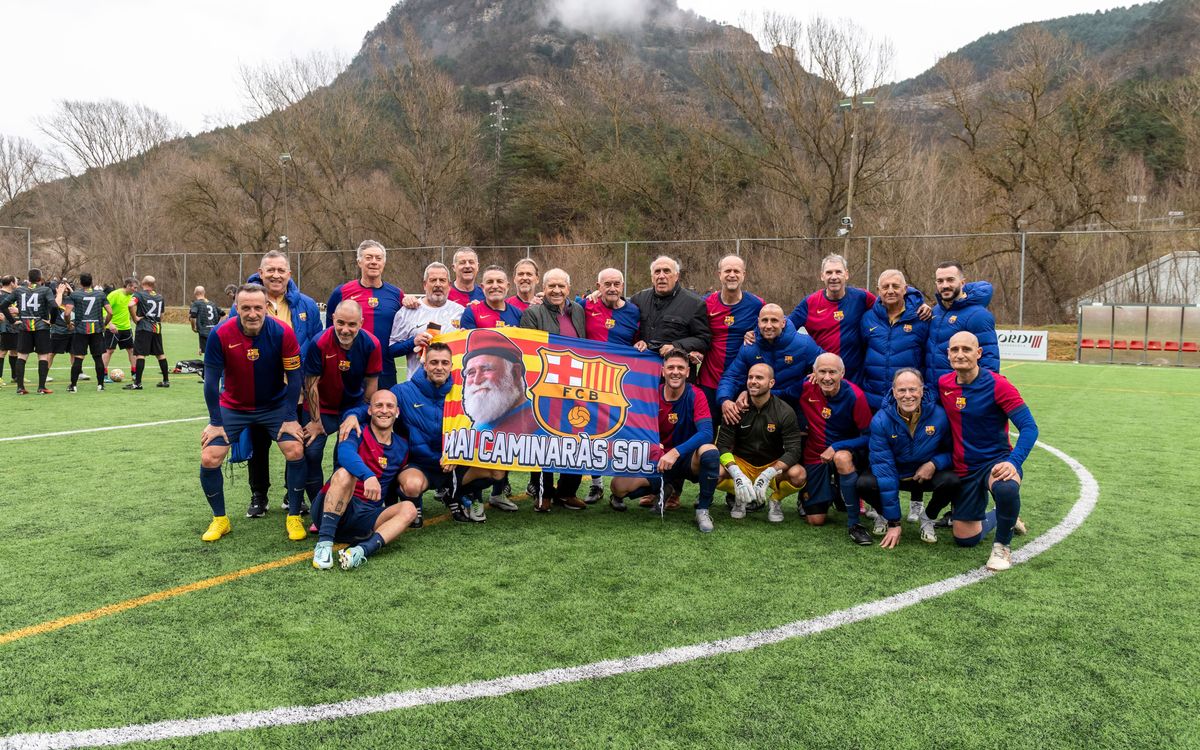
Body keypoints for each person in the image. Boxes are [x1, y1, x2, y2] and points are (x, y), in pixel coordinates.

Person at [198, 283, 308, 543]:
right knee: (210, 457)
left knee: (296, 450)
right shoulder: (220, 334)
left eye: (258, 307)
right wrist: (215, 422)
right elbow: (211, 382)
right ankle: (220, 519)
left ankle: (294, 515)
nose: (252, 313)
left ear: (266, 308)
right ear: (236, 308)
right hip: (234, 407)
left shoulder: (283, 332)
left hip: (275, 406)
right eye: (245, 308)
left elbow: (295, 378)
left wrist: (291, 417)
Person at [340, 342, 495, 525]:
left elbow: (483, 423)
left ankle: (455, 495)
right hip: (421, 465)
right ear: (424, 365)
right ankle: (414, 505)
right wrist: (352, 415)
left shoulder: (464, 393)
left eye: (444, 363)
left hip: (455, 463)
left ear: (451, 366)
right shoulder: (404, 392)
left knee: (496, 471)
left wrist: (459, 455)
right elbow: (380, 407)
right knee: (412, 485)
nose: (439, 367)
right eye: (434, 362)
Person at [939, 331, 1037, 572]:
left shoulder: (998, 385)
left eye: (966, 349)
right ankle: (1005, 517)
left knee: (1006, 487)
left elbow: (1029, 427)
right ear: (948, 354)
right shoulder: (944, 384)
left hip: (996, 460)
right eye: (955, 350)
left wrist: (1014, 462)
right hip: (963, 467)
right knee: (965, 539)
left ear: (979, 353)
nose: (960, 354)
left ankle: (1002, 546)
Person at [245, 250, 323, 517]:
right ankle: (259, 495)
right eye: (271, 270)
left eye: (281, 270)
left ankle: (293, 495)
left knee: (295, 442)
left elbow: (316, 344)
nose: (276, 275)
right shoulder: (247, 302)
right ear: (261, 272)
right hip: (258, 389)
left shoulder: (307, 305)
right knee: (259, 445)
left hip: (295, 388)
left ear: (289, 274)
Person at [610, 350, 721, 532]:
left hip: (686, 458)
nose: (675, 372)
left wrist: (676, 452)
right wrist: (654, 447)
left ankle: (702, 509)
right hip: (659, 460)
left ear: (687, 372)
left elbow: (707, 432)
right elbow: (633, 427)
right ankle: (665, 487)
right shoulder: (652, 394)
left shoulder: (696, 395)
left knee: (709, 451)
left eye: (680, 368)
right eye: (670, 367)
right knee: (618, 487)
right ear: (663, 371)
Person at [310, 389, 415, 571]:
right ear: (369, 410)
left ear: (397, 412)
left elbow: (396, 483)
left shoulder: (402, 446)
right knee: (345, 473)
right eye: (379, 405)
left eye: (390, 406)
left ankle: (360, 552)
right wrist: (368, 476)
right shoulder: (356, 430)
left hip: (366, 517)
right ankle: (324, 544)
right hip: (334, 505)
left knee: (409, 509)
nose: (384, 410)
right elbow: (345, 454)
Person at [857, 368, 960, 547]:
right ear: (893, 392)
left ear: (922, 390)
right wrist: (894, 522)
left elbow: (953, 452)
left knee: (953, 480)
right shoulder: (881, 421)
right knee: (864, 484)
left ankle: (928, 518)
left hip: (923, 475)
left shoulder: (939, 415)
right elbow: (885, 469)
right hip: (894, 473)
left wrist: (934, 463)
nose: (907, 395)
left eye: (912, 389)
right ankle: (883, 514)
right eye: (902, 390)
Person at [300, 300, 382, 507]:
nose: (345, 330)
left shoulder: (372, 344)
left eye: (352, 325)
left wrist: (357, 414)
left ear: (361, 323)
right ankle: (317, 504)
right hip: (322, 407)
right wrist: (316, 422)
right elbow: (311, 385)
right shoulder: (319, 342)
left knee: (345, 455)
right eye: (341, 323)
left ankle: (340, 503)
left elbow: (370, 390)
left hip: (351, 407)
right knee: (311, 452)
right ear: (333, 319)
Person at [519, 268, 587, 511]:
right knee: (544, 439)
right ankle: (544, 492)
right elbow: (529, 351)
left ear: (569, 289)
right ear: (543, 289)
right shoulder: (532, 313)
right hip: (545, 386)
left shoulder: (578, 310)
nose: (556, 291)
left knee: (576, 437)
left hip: (576, 387)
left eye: (561, 286)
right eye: (551, 286)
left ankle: (567, 491)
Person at [796, 353, 874, 544]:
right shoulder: (806, 387)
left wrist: (837, 446)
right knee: (815, 520)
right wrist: (743, 396)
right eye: (822, 372)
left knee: (841, 458)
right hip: (815, 456)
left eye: (833, 372)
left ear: (842, 373)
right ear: (814, 372)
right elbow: (779, 393)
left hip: (845, 452)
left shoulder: (855, 396)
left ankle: (854, 524)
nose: (827, 377)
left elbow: (868, 437)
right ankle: (833, 492)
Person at [580, 267, 641, 504]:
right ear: (598, 286)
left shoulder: (634, 312)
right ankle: (596, 484)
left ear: (623, 286)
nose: (612, 288)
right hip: (591, 380)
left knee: (621, 432)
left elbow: (640, 340)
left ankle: (620, 487)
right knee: (592, 432)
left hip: (622, 382)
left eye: (617, 284)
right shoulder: (585, 306)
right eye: (608, 284)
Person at [715, 363, 806, 522]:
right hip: (741, 464)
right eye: (750, 377)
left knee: (799, 475)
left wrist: (768, 473)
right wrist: (736, 473)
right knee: (712, 472)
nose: (753, 381)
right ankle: (740, 497)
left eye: (759, 378)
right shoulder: (736, 407)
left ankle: (775, 500)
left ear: (771, 383)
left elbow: (794, 451)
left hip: (771, 464)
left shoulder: (785, 411)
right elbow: (722, 446)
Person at [717, 303, 823, 424]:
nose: (768, 326)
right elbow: (732, 376)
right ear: (758, 322)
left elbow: (828, 362)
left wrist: (819, 371)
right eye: (764, 320)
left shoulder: (803, 343)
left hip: (794, 403)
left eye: (774, 321)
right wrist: (724, 400)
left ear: (783, 323)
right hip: (759, 403)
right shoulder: (749, 346)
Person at [327, 240, 403, 388]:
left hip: (385, 370)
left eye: (378, 258)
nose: (374, 262)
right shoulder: (341, 292)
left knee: (384, 410)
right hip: (350, 367)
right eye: (368, 258)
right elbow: (329, 332)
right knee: (350, 410)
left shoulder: (397, 294)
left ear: (384, 263)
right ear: (359, 262)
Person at [697, 255, 763, 414]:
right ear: (719, 274)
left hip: (741, 384)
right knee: (707, 433)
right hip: (709, 380)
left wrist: (756, 334)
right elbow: (693, 332)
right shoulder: (705, 304)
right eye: (727, 271)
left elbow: (776, 326)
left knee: (738, 436)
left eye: (736, 271)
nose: (732, 274)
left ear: (744, 274)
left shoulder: (757, 304)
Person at [860, 269, 930, 411]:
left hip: (908, 400)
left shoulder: (921, 317)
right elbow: (861, 353)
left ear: (905, 289)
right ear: (878, 291)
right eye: (885, 287)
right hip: (873, 399)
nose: (890, 291)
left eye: (895, 286)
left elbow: (928, 356)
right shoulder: (868, 318)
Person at [388, 261, 464, 379]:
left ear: (449, 285)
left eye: (442, 280)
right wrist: (413, 342)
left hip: (451, 387)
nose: (438, 284)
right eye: (433, 280)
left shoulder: (460, 312)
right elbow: (392, 350)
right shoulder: (407, 311)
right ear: (424, 284)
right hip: (417, 387)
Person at [927, 262, 1000, 384]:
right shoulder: (935, 312)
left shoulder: (978, 315)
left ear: (962, 283)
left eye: (950, 280)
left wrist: (980, 393)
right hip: (934, 392)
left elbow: (989, 360)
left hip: (960, 393)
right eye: (940, 281)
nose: (945, 285)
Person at [629, 256, 711, 363]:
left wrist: (676, 346)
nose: (661, 276)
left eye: (666, 271)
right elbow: (626, 328)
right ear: (652, 277)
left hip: (676, 371)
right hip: (644, 370)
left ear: (676, 276)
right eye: (657, 272)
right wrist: (638, 342)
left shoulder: (694, 304)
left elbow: (703, 339)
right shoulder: (638, 300)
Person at [0, 268, 60, 394]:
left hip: (24, 327)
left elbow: (3, 305)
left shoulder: (19, 290)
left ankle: (20, 388)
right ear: (40, 278)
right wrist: (52, 321)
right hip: (41, 328)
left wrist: (12, 321)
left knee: (22, 356)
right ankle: (41, 387)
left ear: (29, 278)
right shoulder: (45, 290)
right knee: (42, 356)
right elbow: (54, 306)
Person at [63, 273, 113, 392]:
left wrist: (68, 324)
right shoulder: (100, 294)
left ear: (80, 282)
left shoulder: (75, 295)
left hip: (80, 330)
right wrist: (104, 324)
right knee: (97, 358)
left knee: (79, 357)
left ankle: (73, 386)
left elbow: (66, 313)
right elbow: (110, 312)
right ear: (91, 282)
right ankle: (100, 385)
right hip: (96, 329)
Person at [126, 275, 169, 390]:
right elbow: (162, 315)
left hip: (144, 327)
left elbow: (130, 305)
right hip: (156, 327)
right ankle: (166, 380)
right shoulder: (160, 297)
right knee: (160, 354)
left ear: (143, 284)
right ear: (153, 285)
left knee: (140, 354)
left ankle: (137, 383)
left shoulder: (139, 294)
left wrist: (135, 318)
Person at [102, 277, 138, 381]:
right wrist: (110, 324)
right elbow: (103, 310)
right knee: (109, 351)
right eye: (134, 288)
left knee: (132, 350)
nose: (135, 290)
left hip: (126, 328)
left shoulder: (132, 296)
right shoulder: (114, 295)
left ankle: (135, 373)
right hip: (113, 328)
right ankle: (103, 375)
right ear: (128, 286)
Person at [189, 286, 224, 356]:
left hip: (204, 332)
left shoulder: (196, 304)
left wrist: (193, 327)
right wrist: (218, 326)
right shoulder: (212, 303)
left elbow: (193, 316)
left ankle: (209, 366)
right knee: (215, 352)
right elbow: (224, 315)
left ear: (195, 293)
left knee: (208, 354)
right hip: (215, 332)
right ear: (204, 293)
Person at [0, 275, 17, 387]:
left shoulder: (14, 295)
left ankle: (15, 376)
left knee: (15, 350)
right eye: (16, 282)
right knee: (2, 351)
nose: (17, 284)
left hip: (14, 326)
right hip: (4, 327)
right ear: (11, 283)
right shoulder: (1, 294)